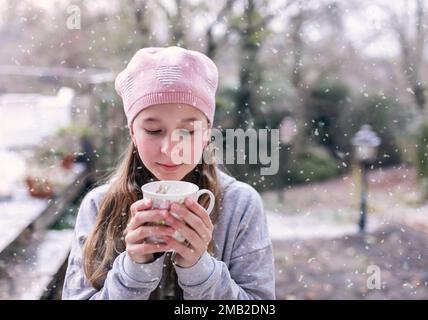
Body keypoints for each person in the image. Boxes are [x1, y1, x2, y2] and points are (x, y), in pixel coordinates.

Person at [62, 46, 275, 300]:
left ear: (207, 133)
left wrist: (200, 270)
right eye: (153, 131)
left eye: (187, 131)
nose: (171, 149)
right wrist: (134, 271)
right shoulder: (99, 206)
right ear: (133, 133)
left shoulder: (241, 205)